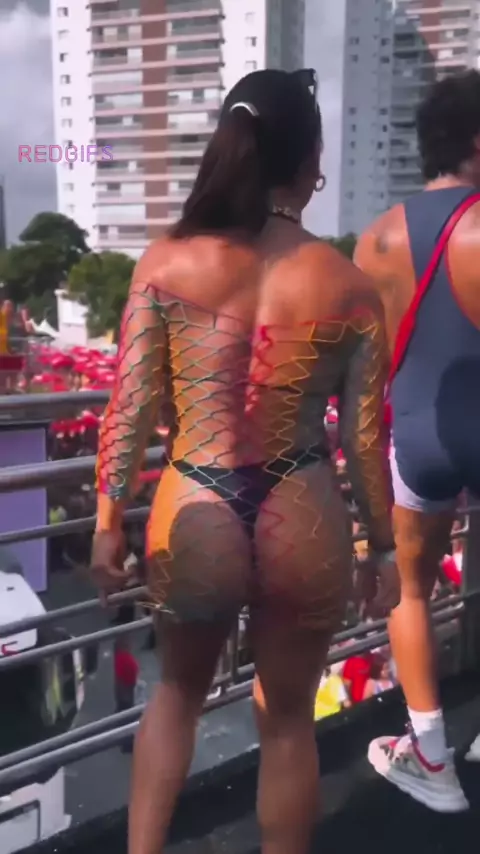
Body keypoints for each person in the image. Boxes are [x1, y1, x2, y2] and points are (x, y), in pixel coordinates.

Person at [90, 68, 395, 854]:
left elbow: (129, 408)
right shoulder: (349, 287)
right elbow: (364, 441)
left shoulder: (166, 265)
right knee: (289, 723)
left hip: (196, 500)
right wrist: (384, 549)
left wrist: (106, 522)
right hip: (303, 507)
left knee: (175, 698)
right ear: (309, 161)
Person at [354, 70, 480, 812]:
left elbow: (364, 370)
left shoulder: (375, 239)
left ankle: (431, 758)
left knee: (410, 587)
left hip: (418, 432)